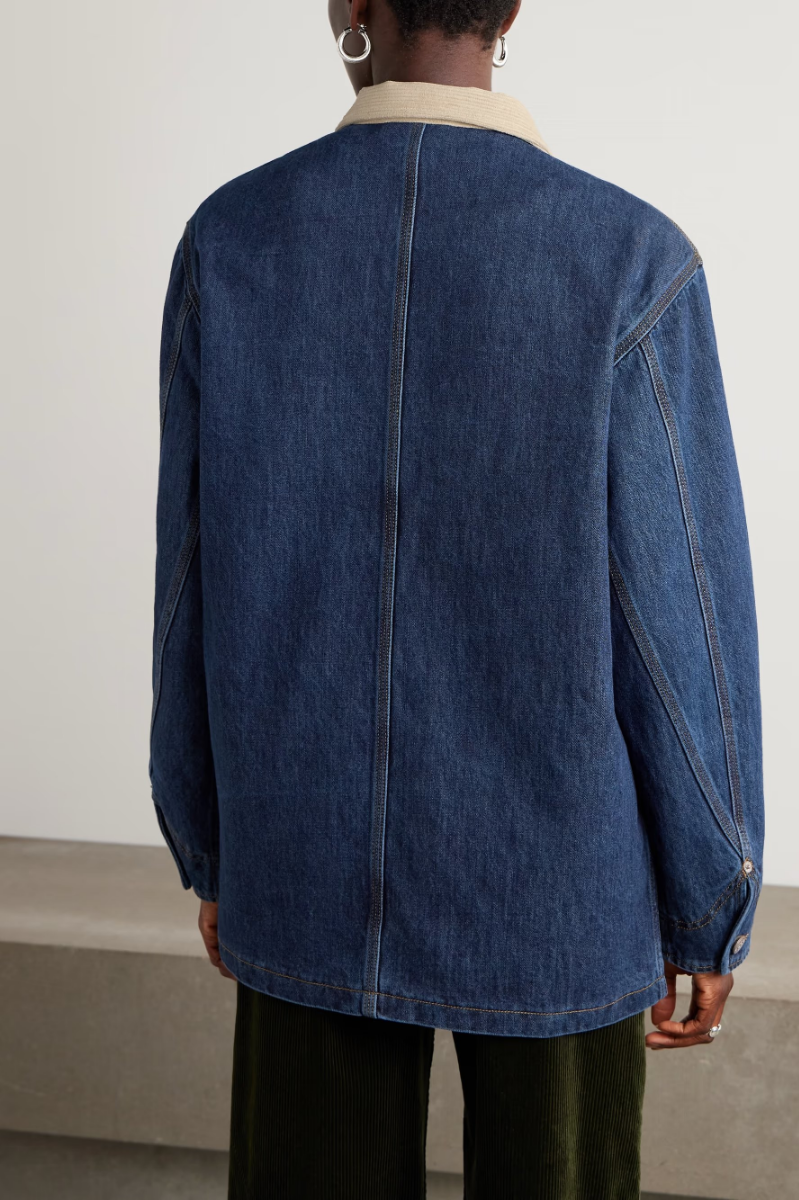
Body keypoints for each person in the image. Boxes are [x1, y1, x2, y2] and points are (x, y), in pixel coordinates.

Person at [150, 1, 764, 1195]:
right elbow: (678, 615)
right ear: (512, 8)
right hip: (563, 887)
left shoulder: (232, 241)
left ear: (351, 5)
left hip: (301, 855)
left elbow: (188, 584)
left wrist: (213, 843)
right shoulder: (628, 257)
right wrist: (710, 896)